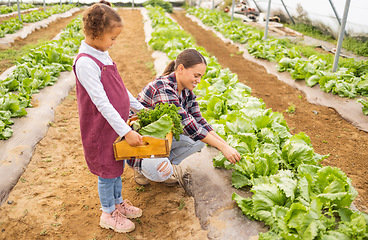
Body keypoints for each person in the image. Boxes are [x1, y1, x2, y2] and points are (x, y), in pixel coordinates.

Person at [73, 2, 149, 233]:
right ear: (95, 33)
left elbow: (119, 88)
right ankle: (107, 212)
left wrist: (139, 109)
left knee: (116, 164)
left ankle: (117, 202)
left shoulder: (102, 54)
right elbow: (102, 102)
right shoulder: (86, 62)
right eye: (112, 38)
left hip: (114, 125)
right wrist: (127, 131)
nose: (113, 43)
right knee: (106, 169)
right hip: (100, 127)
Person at [134, 49, 241, 185]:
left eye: (201, 76)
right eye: (196, 75)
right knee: (196, 135)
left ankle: (163, 164)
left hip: (162, 136)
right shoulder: (163, 89)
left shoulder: (186, 90)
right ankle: (142, 167)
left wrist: (226, 145)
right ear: (181, 69)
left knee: (200, 140)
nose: (199, 81)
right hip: (141, 140)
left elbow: (199, 120)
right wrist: (223, 148)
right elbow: (188, 125)